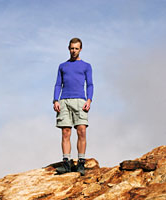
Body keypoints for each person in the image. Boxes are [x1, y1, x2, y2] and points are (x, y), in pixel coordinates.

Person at [53, 38, 94, 175]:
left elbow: (90, 84)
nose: (74, 51)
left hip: (80, 101)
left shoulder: (86, 66)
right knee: (65, 132)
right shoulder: (62, 66)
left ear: (80, 49)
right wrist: (55, 100)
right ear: (68, 48)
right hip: (64, 100)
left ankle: (81, 163)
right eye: (72, 48)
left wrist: (89, 100)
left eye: (76, 48)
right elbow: (58, 84)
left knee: (81, 130)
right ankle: (66, 163)